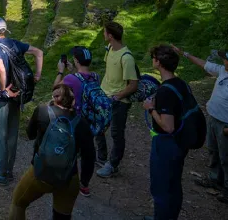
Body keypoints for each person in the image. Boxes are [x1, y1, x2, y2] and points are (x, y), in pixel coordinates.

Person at [177, 47, 228, 203]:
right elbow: (206, 65)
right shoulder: (225, 72)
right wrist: (185, 54)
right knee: (214, 151)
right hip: (214, 119)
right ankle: (215, 179)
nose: (224, 61)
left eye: (227, 59)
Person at [9, 84, 96, 220]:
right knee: (62, 216)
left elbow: (30, 134)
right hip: (69, 177)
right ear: (73, 101)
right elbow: (89, 156)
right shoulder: (82, 123)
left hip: (40, 173)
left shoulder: (42, 111)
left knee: (18, 203)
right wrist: (84, 181)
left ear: (54, 98)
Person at [0, 17, 44, 185]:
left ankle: (0, 174)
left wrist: (3, 90)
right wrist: (37, 75)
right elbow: (39, 52)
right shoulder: (15, 43)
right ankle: (8, 170)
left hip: (2, 98)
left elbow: (0, 68)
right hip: (17, 95)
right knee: (12, 135)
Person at [142, 45, 191, 220]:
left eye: (154, 58)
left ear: (159, 63)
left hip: (167, 143)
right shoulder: (180, 83)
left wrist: (150, 109)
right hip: (179, 141)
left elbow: (168, 126)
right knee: (173, 184)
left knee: (161, 187)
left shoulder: (165, 92)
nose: (152, 60)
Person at [54, 46, 97, 197]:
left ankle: (64, 180)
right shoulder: (95, 76)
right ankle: (84, 185)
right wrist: (73, 71)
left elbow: (56, 89)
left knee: (69, 151)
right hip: (91, 120)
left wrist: (61, 71)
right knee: (88, 152)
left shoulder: (70, 79)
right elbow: (81, 83)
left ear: (76, 60)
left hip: (76, 120)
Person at [96, 22, 137, 178]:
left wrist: (118, 96)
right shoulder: (110, 49)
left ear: (110, 36)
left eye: (104, 32)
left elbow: (133, 84)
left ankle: (113, 165)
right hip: (104, 97)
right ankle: (101, 158)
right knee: (98, 128)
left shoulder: (127, 58)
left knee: (116, 134)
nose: (103, 34)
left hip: (119, 102)